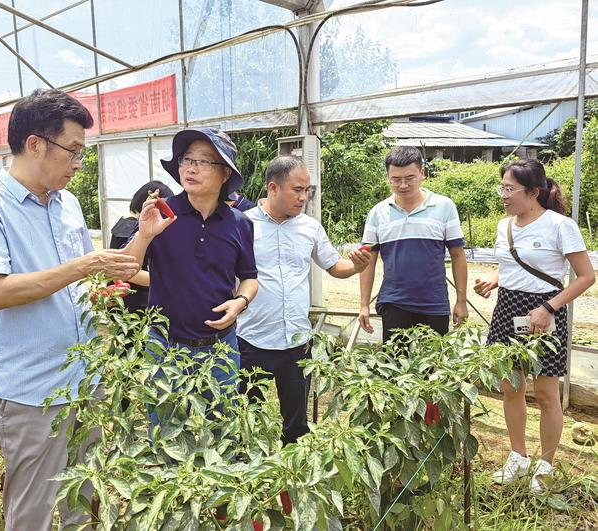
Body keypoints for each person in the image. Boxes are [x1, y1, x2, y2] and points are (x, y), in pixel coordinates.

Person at [0, 89, 140, 530]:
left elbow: (92, 280)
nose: (78, 162)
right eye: (73, 150)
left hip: (85, 381)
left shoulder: (67, 204)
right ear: (35, 143)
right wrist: (82, 266)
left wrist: (140, 238)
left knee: (84, 501)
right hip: (33, 390)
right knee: (32, 511)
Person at [474, 159, 595, 492]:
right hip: (507, 308)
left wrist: (548, 307)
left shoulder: (560, 225)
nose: (503, 194)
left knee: (545, 393)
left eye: (510, 188)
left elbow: (586, 277)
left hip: (544, 313)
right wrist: (494, 279)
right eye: (502, 187)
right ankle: (518, 455)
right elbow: (512, 265)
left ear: (534, 192)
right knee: (511, 387)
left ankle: (546, 464)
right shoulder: (504, 226)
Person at [237, 155, 371, 445]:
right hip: (251, 339)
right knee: (247, 418)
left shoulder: (310, 227)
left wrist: (357, 266)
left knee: (296, 424)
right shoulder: (242, 225)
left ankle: (292, 477)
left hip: (297, 342)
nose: (304, 197)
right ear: (273, 188)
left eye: (307, 190)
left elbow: (335, 267)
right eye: (297, 190)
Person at [123, 127, 258, 396]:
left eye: (204, 161)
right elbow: (127, 269)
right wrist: (144, 235)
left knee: (222, 429)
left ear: (225, 173)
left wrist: (240, 302)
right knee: (163, 430)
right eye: (187, 159)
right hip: (165, 347)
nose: (191, 168)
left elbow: (249, 278)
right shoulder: (162, 214)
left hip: (221, 347)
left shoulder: (240, 223)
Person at [358, 146, 468, 342]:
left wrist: (461, 301)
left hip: (434, 303)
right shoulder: (378, 213)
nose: (403, 185)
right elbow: (368, 261)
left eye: (410, 178)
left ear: (422, 174)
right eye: (396, 179)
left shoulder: (444, 206)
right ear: (387, 177)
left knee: (433, 369)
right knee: (395, 367)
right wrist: (364, 305)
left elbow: (458, 255)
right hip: (394, 303)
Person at [110, 180, 174, 312]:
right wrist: (168, 281)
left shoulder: (142, 226)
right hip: (130, 303)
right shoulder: (128, 228)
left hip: (140, 300)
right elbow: (127, 272)